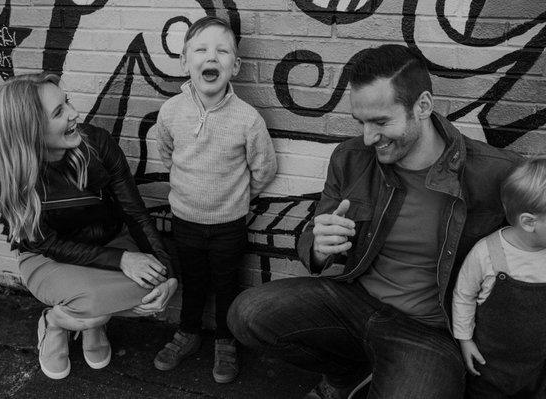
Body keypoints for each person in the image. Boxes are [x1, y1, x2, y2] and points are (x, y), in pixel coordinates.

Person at [227, 44, 521, 399]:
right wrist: (318, 247)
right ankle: (348, 374)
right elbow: (314, 237)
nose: (368, 137)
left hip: (428, 330)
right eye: (361, 122)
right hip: (356, 301)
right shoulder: (350, 158)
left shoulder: (497, 173)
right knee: (247, 314)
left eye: (381, 122)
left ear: (423, 106)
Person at [0, 73, 178, 380]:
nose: (74, 113)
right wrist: (121, 261)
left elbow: (136, 213)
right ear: (30, 131)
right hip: (49, 259)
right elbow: (44, 243)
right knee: (93, 304)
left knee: (158, 283)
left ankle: (84, 316)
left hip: (112, 241)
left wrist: (167, 271)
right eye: (58, 112)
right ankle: (58, 322)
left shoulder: (98, 144)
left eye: (67, 102)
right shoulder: (4, 176)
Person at [153, 16, 277, 384]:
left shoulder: (247, 119)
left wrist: (237, 198)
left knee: (227, 284)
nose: (212, 57)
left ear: (235, 66)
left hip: (228, 225)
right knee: (192, 281)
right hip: (186, 220)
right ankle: (188, 332)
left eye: (223, 51)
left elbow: (263, 169)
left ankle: (226, 340)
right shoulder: (171, 112)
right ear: (184, 61)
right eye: (201, 49)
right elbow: (166, 153)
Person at [452, 157, 546, 398]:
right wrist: (465, 340)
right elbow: (464, 296)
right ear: (528, 222)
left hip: (538, 368)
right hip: (490, 369)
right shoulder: (488, 254)